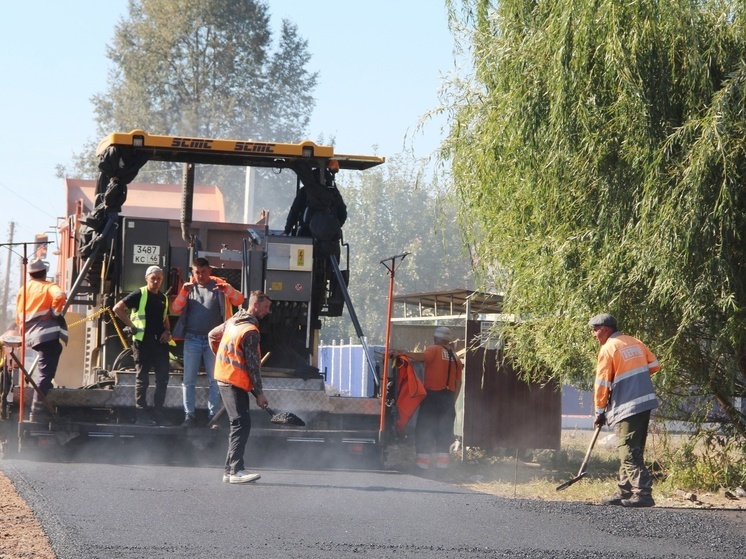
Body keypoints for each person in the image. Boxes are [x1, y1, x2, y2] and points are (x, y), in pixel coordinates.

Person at [589, 313, 660, 508]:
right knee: (630, 448)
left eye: (595, 330)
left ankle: (643, 493)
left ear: (605, 329)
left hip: (628, 406)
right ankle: (624, 491)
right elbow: (654, 366)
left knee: (627, 450)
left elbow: (602, 384)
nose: (594, 334)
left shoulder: (608, 348)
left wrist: (599, 412)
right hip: (645, 403)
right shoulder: (634, 341)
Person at [171, 257, 245, 427]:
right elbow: (175, 309)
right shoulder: (189, 287)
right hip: (192, 339)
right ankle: (189, 416)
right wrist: (183, 292)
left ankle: (213, 417)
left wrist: (227, 289)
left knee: (215, 380)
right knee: (189, 380)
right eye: (197, 272)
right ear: (193, 272)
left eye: (204, 272)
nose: (200, 275)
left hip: (214, 342)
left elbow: (239, 300)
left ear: (210, 271)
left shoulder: (220, 286)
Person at [208, 290, 271, 484]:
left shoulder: (234, 321)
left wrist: (221, 357)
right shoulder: (250, 331)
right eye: (266, 307)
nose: (268, 312)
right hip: (233, 381)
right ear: (256, 305)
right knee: (241, 423)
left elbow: (212, 335)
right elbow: (253, 366)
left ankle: (229, 471)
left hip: (226, 377)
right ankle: (236, 470)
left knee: (239, 423)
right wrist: (260, 394)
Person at [393, 326, 463, 473]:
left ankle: (422, 467)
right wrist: (452, 401)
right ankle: (441, 469)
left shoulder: (434, 349)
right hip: (448, 400)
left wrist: (404, 353)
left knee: (425, 429)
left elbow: (422, 357)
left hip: (433, 398)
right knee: (443, 433)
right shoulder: (456, 358)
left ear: (436, 338)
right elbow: (458, 383)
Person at [113, 265, 174, 425]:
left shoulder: (163, 298)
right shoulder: (140, 293)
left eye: (159, 278)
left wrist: (167, 332)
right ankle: (141, 413)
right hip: (142, 341)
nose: (156, 281)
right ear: (147, 278)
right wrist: (131, 326)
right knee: (143, 377)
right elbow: (117, 308)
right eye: (153, 278)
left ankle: (158, 412)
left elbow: (165, 319)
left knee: (162, 378)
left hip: (159, 342)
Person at [15, 258, 67, 422]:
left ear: (30, 273)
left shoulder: (24, 289)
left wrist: (22, 330)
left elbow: (18, 314)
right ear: (44, 272)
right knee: (45, 373)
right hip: (45, 333)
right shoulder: (49, 286)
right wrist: (54, 313)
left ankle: (45, 388)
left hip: (29, 334)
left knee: (55, 351)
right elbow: (60, 296)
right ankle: (36, 411)